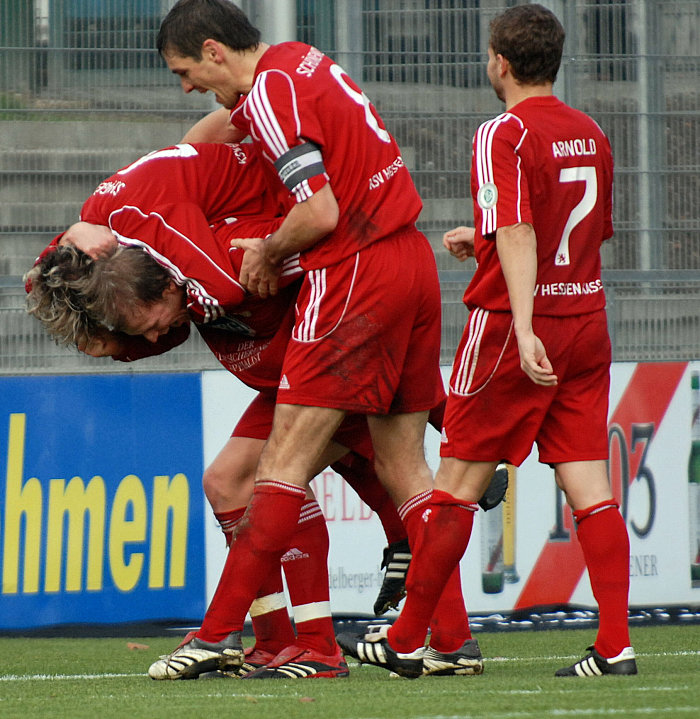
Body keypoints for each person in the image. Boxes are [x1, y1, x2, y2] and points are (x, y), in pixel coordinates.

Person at [152, 0, 480, 680]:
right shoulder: (301, 61)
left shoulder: (270, 90)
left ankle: (218, 634)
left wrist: (268, 250)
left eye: (185, 71)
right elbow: (215, 132)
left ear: (213, 51)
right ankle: (449, 640)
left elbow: (319, 210)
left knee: (278, 467)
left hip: (353, 271)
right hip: (410, 259)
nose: (185, 87)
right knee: (404, 470)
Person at [337, 3, 637, 679]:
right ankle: (615, 645)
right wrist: (487, 243)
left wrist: (523, 323)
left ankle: (408, 638)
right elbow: (577, 234)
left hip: (511, 329)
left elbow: (524, 230)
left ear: (500, 62)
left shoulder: (503, 131)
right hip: (586, 320)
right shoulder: (591, 131)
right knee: (590, 486)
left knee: (456, 484)